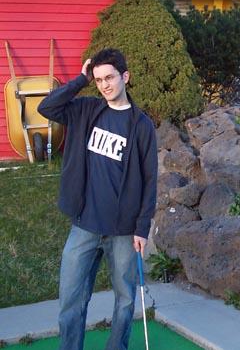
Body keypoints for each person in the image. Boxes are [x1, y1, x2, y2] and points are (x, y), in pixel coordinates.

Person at [38, 48, 158, 350]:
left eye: (110, 78)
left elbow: (149, 180)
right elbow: (47, 107)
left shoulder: (141, 126)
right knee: (71, 300)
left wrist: (142, 227)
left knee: (125, 300)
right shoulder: (86, 110)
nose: (104, 85)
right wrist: (80, 79)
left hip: (123, 231)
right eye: (99, 79)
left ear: (125, 77)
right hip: (85, 226)